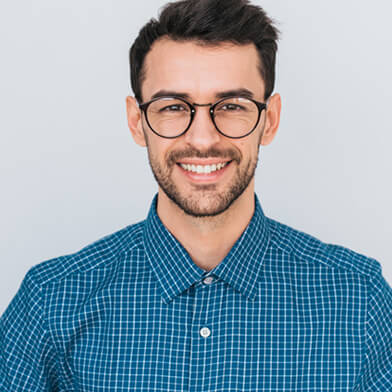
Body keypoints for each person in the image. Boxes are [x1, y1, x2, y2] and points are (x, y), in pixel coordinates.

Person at [1, 0, 391, 390]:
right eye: (173, 106)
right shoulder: (50, 305)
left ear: (269, 120)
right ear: (137, 123)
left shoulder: (359, 302)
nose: (203, 138)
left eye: (231, 106)